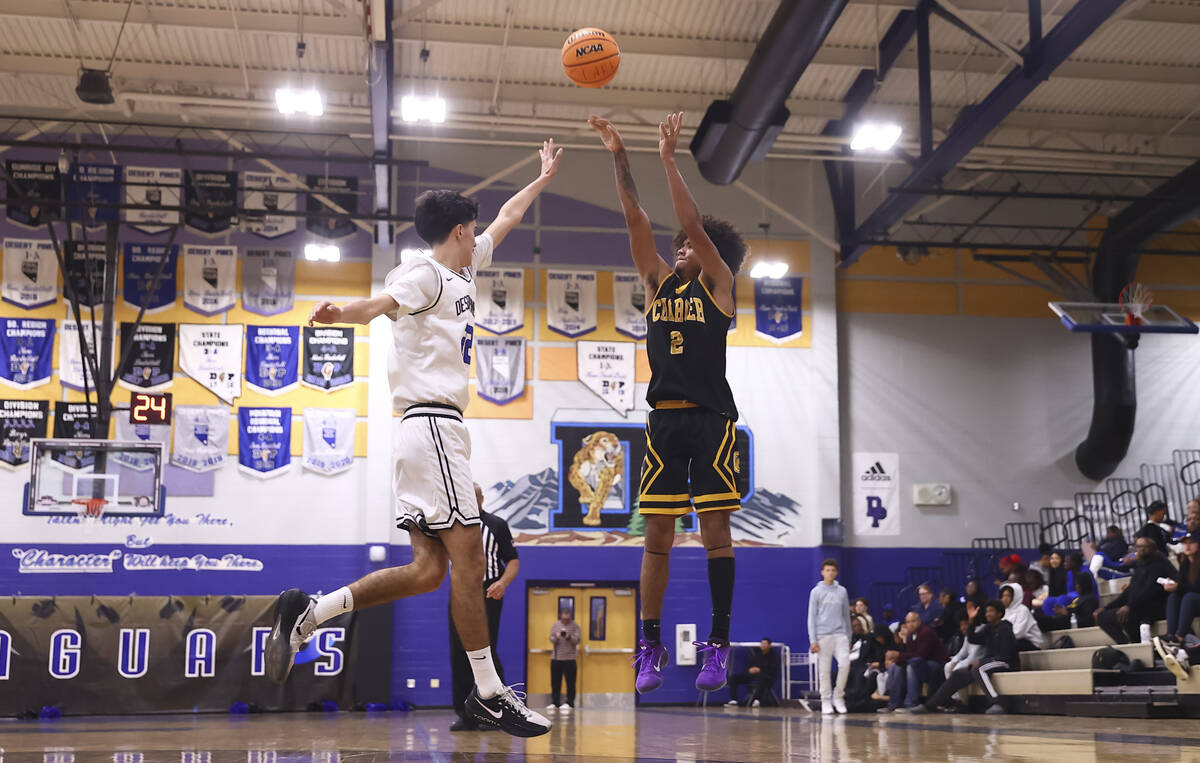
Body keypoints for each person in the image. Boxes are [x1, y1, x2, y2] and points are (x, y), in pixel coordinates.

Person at [261, 144, 563, 738]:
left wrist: (541, 179)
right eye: (473, 227)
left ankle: (311, 611)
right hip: (431, 425)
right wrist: (342, 313)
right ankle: (488, 692)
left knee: (428, 571)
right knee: (469, 558)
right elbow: (380, 305)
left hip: (424, 432)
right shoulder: (423, 272)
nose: (481, 234)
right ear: (459, 230)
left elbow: (508, 218)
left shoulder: (464, 267)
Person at [589, 114, 748, 696]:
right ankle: (649, 644)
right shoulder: (657, 284)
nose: (680, 246)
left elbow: (693, 224)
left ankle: (719, 642)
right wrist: (619, 154)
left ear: (709, 255)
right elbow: (635, 217)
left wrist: (668, 160)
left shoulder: (720, 287)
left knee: (714, 531)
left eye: (689, 244)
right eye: (678, 243)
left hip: (711, 420)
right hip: (664, 421)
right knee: (656, 534)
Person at [449, 484, 520, 732]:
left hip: (488, 593)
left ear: (481, 498)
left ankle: (497, 711)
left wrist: (503, 582)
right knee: (458, 653)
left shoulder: (496, 524)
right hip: (459, 595)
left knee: (485, 651)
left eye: (474, 496)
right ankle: (466, 714)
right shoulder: (452, 525)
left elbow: (512, 561)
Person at [910, 600, 1018, 716]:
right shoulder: (988, 628)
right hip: (990, 662)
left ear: (999, 613)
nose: (988, 614)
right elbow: (973, 639)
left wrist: (982, 661)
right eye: (986, 611)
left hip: (1005, 662)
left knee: (979, 669)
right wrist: (971, 621)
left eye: (991, 611)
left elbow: (1005, 655)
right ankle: (930, 705)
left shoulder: (1005, 628)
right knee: (958, 674)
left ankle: (997, 703)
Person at [1094, 535, 1175, 644]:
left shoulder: (1159, 563)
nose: (1141, 549)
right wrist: (1105, 608)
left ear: (1153, 548)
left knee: (1125, 615)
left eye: (1145, 546)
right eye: (1138, 546)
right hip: (1137, 607)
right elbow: (1130, 591)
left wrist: (1129, 606)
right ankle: (1126, 643)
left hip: (1154, 607)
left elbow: (1149, 591)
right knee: (1103, 617)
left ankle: (1134, 643)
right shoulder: (1139, 565)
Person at [807, 559, 852, 715]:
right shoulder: (816, 592)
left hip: (840, 635)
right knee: (824, 670)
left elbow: (846, 615)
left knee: (845, 665)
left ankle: (838, 696)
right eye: (827, 570)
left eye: (833, 570)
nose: (830, 573)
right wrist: (813, 640)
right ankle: (825, 700)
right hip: (823, 636)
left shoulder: (842, 591)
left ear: (836, 572)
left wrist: (849, 637)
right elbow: (811, 617)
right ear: (822, 572)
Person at [884, 611, 948, 713]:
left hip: (936, 665)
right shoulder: (910, 636)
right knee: (897, 666)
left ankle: (911, 703)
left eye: (913, 621)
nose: (910, 624)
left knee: (911, 665)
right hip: (921, 663)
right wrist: (897, 660)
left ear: (919, 621)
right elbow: (910, 655)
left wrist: (899, 656)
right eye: (908, 622)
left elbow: (921, 654)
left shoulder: (926, 632)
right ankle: (894, 704)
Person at [725, 638, 780, 707]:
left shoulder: (774, 657)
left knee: (761, 677)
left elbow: (772, 670)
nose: (763, 645)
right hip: (753, 676)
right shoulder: (758, 655)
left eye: (765, 644)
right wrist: (751, 669)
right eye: (762, 644)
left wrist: (760, 670)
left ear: (769, 645)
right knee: (734, 678)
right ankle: (734, 700)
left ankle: (757, 700)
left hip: (767, 677)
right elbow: (751, 665)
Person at [548, 608, 582, 712]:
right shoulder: (555, 625)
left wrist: (569, 637)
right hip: (556, 658)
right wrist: (557, 637)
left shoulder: (575, 626)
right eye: (564, 616)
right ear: (561, 615)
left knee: (570, 683)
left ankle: (570, 702)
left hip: (570, 659)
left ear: (570, 615)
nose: (566, 619)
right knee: (555, 682)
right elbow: (551, 639)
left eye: (567, 617)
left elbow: (577, 640)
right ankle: (555, 702)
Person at [999, 583, 1044, 650]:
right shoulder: (1004, 612)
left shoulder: (1023, 610)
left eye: (1008, 596)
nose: (1004, 598)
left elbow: (1018, 633)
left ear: (1015, 596)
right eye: (1003, 596)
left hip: (1030, 643)